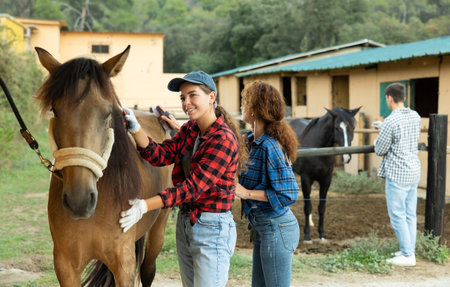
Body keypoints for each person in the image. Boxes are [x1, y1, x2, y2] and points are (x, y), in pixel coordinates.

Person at [120, 70, 247, 287]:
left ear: (212, 97)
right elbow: (160, 154)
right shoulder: (190, 130)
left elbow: (192, 188)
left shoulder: (223, 139)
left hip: (212, 228)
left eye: (192, 95)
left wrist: (144, 205)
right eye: (182, 97)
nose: (186, 102)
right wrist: (135, 128)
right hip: (186, 223)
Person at [234, 80, 300, 287]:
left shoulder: (269, 146)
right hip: (264, 227)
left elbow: (288, 194)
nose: (242, 107)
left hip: (277, 227)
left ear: (256, 109)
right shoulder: (251, 141)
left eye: (245, 102)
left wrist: (246, 193)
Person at [374, 82, 421, 267]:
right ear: (404, 97)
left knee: (397, 214)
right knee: (410, 214)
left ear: (389, 98)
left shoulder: (391, 121)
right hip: (413, 171)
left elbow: (380, 149)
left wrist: (382, 129)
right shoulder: (415, 116)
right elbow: (402, 136)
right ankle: (408, 250)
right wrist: (382, 128)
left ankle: (408, 255)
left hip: (398, 174)